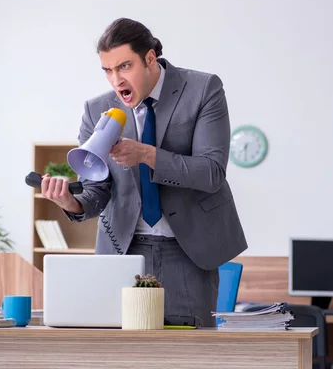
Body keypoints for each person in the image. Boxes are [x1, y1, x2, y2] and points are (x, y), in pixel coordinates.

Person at [40, 18, 247, 327]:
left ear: (150, 58)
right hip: (122, 253)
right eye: (108, 70)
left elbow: (211, 172)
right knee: (120, 353)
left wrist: (147, 155)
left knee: (186, 353)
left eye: (124, 66)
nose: (115, 80)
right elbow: (96, 189)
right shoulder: (96, 109)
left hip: (188, 252)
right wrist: (72, 203)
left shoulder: (203, 89)